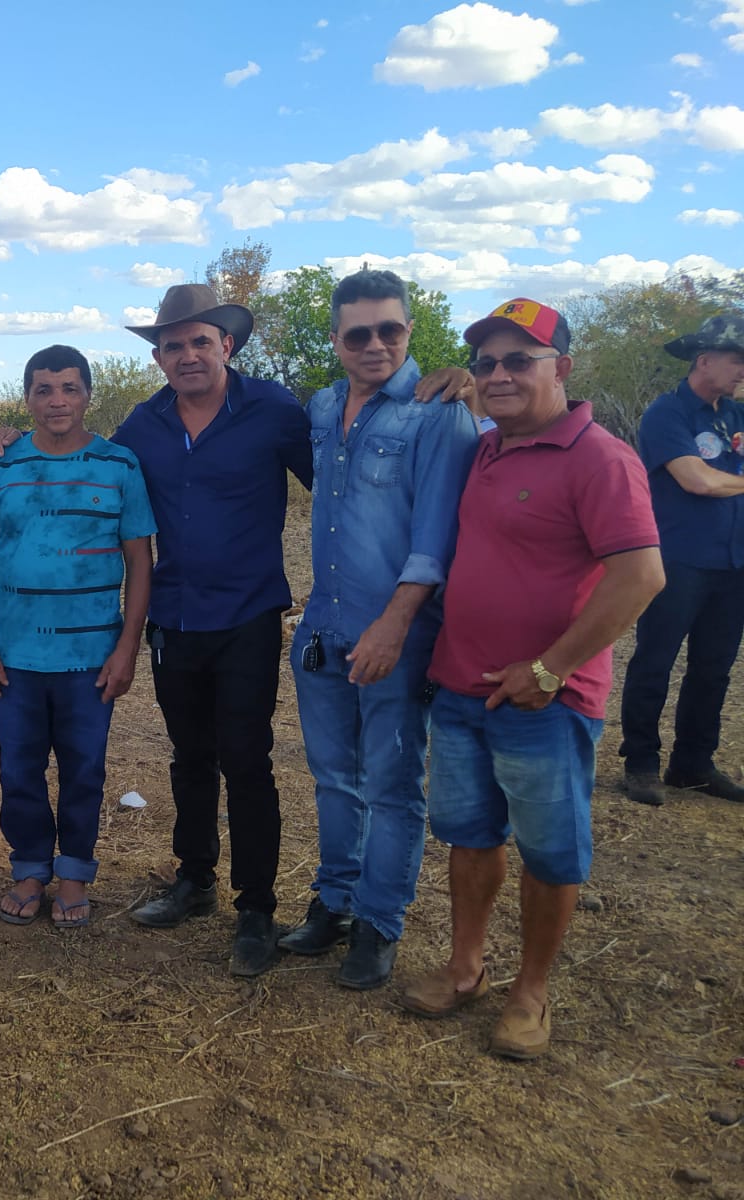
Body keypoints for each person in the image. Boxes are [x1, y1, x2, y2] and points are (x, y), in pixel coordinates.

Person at [401, 299, 663, 1060]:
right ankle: (465, 967)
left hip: (545, 699)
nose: (500, 374)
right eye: (486, 363)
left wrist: (552, 667)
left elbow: (641, 575)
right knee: (469, 836)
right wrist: (452, 380)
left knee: (550, 854)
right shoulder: (486, 447)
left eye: (522, 360)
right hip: (459, 687)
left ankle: (531, 992)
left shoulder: (600, 458)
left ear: (563, 370)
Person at [279, 270, 480, 991]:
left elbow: (436, 535)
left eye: (390, 329)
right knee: (334, 778)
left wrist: (396, 626)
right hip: (326, 627)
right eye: (358, 333)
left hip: (396, 633)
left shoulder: (437, 412)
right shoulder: (324, 405)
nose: (376, 344)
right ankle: (334, 902)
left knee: (393, 784)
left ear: (409, 330)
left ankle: (379, 921)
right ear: (335, 339)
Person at [111, 284, 311, 975]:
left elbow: (339, 480)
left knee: (247, 761)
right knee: (188, 756)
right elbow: (87, 474)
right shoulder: (143, 426)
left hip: (248, 615)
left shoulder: (276, 412)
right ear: (159, 357)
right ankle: (194, 880)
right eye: (174, 345)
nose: (188, 354)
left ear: (228, 345)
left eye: (201, 341)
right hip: (176, 618)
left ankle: (256, 907)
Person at [0, 346, 155, 929]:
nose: (57, 401)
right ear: (27, 398)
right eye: (43, 390)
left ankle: (73, 873)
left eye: (69, 388)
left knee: (84, 769)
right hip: (13, 656)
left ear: (88, 395)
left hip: (90, 656)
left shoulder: (120, 466)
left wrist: (127, 647)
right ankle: (28, 869)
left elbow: (141, 563)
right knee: (19, 770)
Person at [618, 313, 744, 806]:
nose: (741, 371)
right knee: (655, 661)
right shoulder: (666, 414)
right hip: (678, 559)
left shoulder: (732, 416)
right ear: (704, 360)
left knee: (714, 667)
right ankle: (641, 762)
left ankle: (692, 763)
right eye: (737, 360)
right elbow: (697, 480)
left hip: (732, 562)